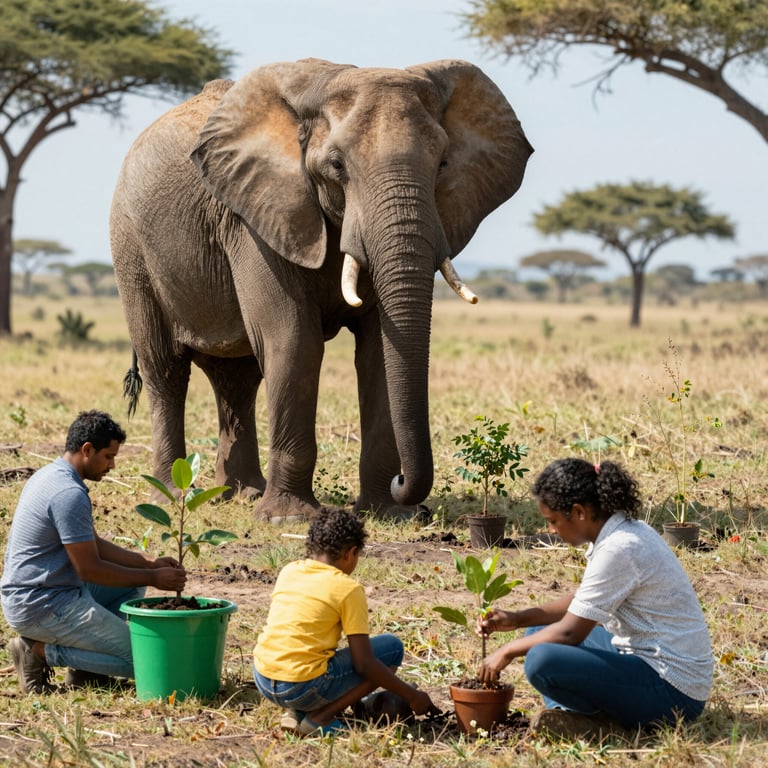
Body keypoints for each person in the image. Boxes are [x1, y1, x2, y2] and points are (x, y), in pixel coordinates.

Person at [477, 458, 713, 739]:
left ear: (578, 512)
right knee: (538, 632)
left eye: (553, 521)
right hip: (646, 663)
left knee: (541, 659)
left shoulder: (620, 548)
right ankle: (572, 717)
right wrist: (517, 619)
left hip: (673, 692)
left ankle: (590, 723)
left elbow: (569, 633)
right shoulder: (624, 531)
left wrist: (507, 651)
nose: (552, 530)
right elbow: (583, 600)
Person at [1, 410, 187, 693]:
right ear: (87, 449)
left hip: (45, 591)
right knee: (147, 661)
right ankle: (38, 652)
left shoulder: (51, 475)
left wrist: (148, 564)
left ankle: (87, 672)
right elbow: (90, 569)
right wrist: (153, 578)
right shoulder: (68, 493)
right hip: (41, 606)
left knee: (132, 587)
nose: (112, 465)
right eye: (108, 456)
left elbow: (93, 544)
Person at [253, 507, 438, 735]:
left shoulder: (289, 571)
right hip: (300, 686)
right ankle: (319, 718)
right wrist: (413, 696)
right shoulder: (348, 589)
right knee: (391, 649)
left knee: (317, 655)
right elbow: (364, 664)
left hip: (263, 678)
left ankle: (297, 713)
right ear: (350, 553)